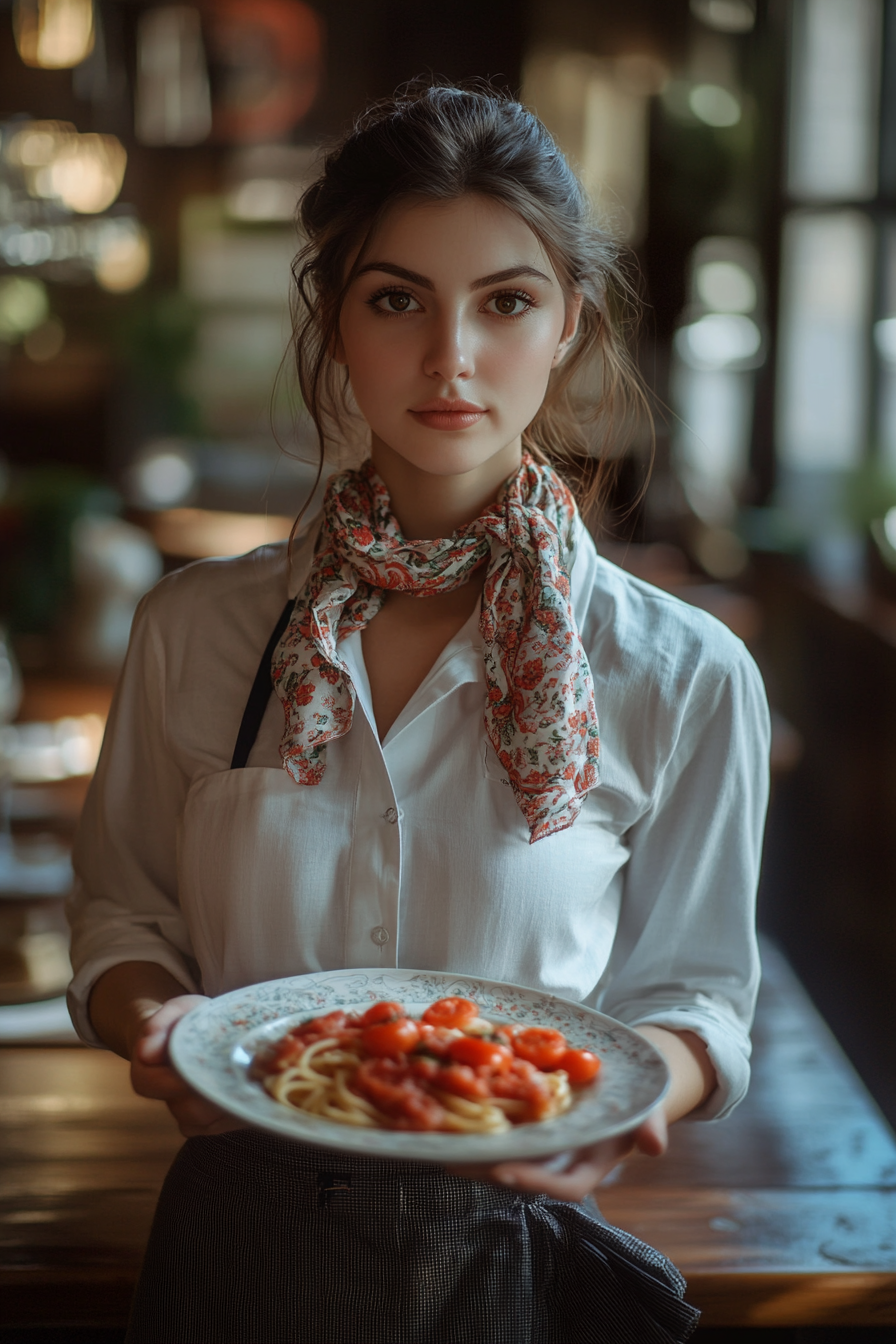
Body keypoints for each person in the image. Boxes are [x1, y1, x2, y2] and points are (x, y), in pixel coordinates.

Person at [66, 83, 769, 1344]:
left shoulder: (681, 670)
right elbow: (123, 914)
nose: (451, 357)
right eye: (396, 300)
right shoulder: (194, 629)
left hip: (511, 1244)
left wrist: (615, 1100)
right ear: (335, 323)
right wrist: (152, 1021)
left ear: (568, 325)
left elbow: (700, 998)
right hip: (233, 1250)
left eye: (505, 302)